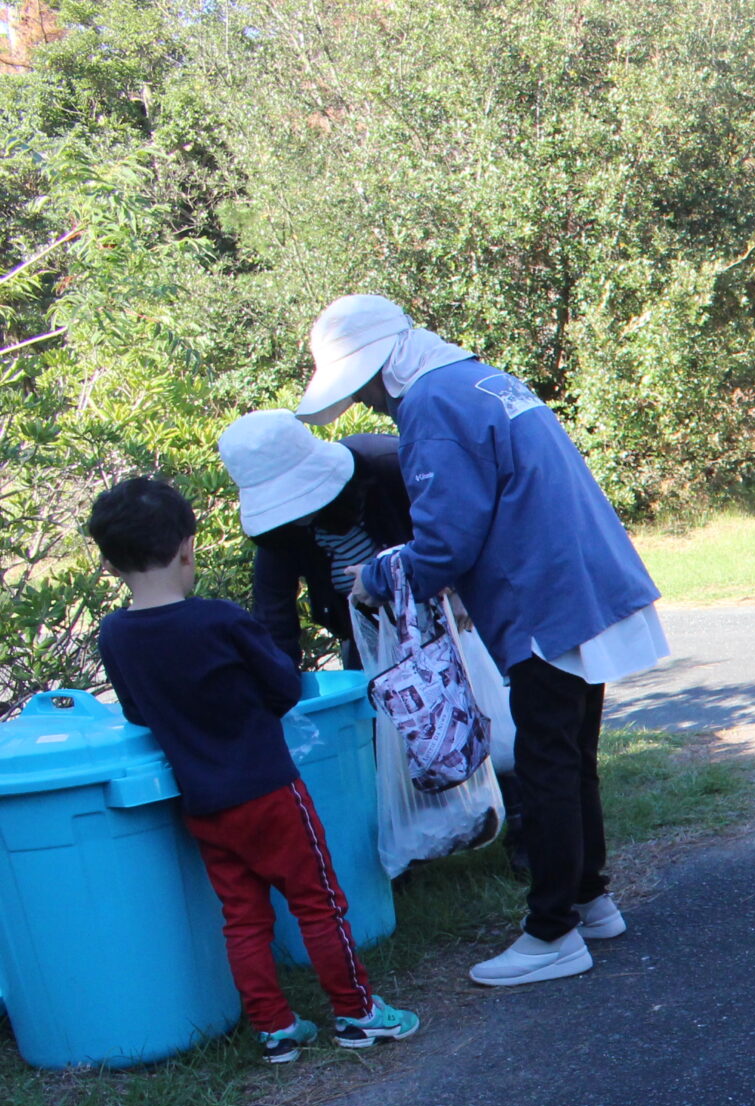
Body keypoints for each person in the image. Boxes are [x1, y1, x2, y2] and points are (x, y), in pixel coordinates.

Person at [296, 294, 665, 989]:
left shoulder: (431, 403)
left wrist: (376, 574)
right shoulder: (475, 377)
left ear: (378, 368)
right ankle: (591, 898)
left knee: (546, 762)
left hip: (542, 596)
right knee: (571, 753)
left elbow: (444, 544)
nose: (368, 405)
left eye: (361, 388)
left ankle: (552, 931)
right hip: (581, 578)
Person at [88, 477, 421, 1066]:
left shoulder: (114, 634)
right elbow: (285, 685)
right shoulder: (218, 619)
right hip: (269, 790)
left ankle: (275, 1028)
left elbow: (138, 710)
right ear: (188, 547)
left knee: (242, 917)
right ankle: (358, 1012)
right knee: (318, 901)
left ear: (110, 563)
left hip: (204, 805)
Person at [218, 411, 412, 667]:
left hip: (448, 613)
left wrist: (382, 579)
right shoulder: (281, 532)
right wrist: (283, 691)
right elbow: (274, 614)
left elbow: (452, 537)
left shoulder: (387, 464)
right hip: (368, 636)